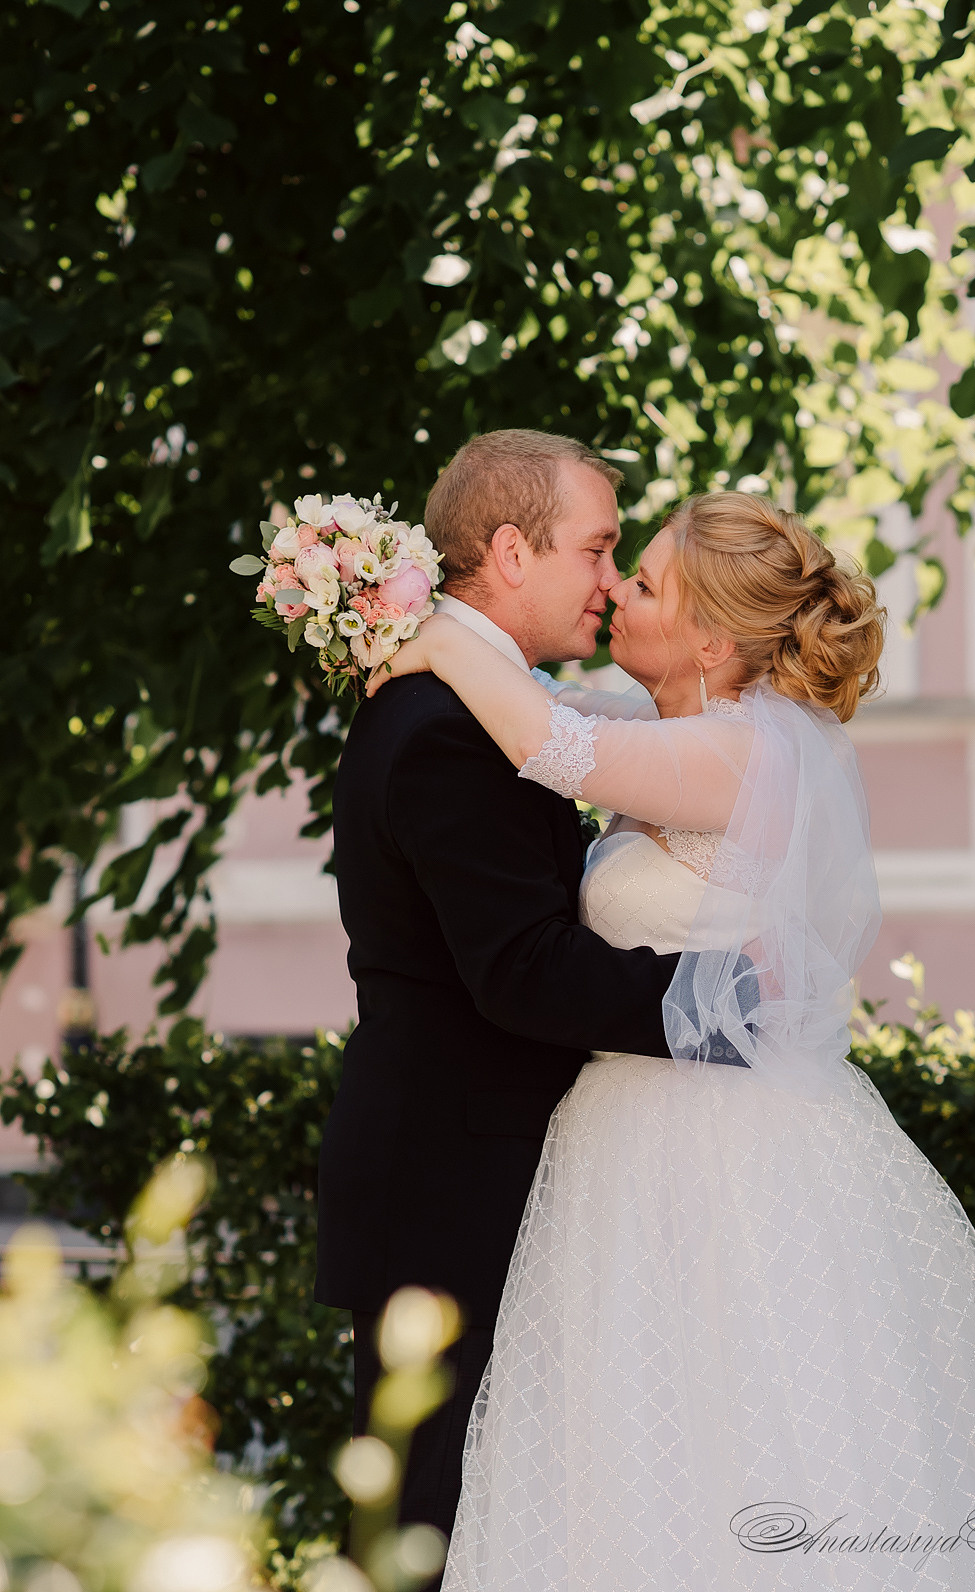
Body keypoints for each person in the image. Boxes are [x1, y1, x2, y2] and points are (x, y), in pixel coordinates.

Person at [367, 490, 975, 1592]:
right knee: (627, 1452)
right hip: (622, 1146)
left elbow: (548, 739)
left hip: (723, 1155)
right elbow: (555, 704)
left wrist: (438, 637)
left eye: (645, 583)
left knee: (748, 1424)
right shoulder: (687, 734)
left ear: (713, 640)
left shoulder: (744, 753)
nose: (619, 591)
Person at [314, 431, 682, 1557]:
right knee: (429, 1533)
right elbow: (523, 970)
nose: (610, 580)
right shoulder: (447, 730)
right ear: (513, 553)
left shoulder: (477, 706)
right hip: (450, 1191)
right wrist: (722, 1001)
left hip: (465, 1177)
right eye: (597, 548)